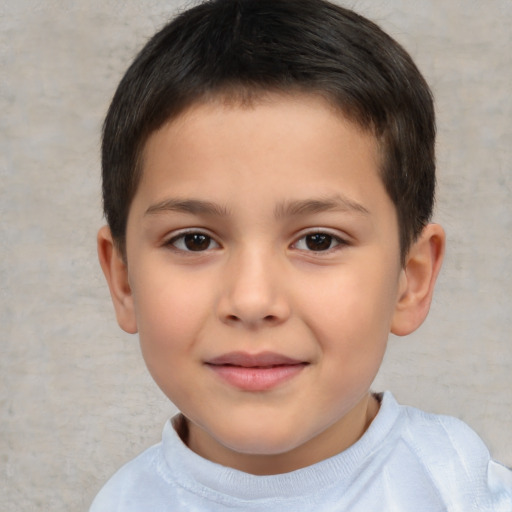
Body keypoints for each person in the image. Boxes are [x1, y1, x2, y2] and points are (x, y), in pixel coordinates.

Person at [90, 0, 512, 510]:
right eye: (195, 240)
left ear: (412, 279)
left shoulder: (460, 487)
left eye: (318, 240)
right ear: (124, 279)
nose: (251, 300)